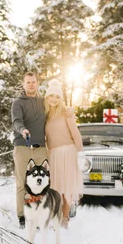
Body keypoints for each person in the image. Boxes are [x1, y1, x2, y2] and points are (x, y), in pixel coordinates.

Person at [44, 79, 83, 226]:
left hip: (68, 153)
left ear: (61, 99)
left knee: (67, 188)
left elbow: (76, 134)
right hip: (53, 155)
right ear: (47, 98)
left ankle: (64, 220)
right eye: (51, 96)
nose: (54, 99)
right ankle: (56, 217)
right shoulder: (45, 116)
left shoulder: (66, 113)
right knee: (56, 189)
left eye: (57, 96)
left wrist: (80, 152)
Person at [11, 72, 47, 229]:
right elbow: (16, 121)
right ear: (24, 84)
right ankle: (22, 216)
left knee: (40, 183)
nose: (31, 84)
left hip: (41, 148)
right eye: (28, 82)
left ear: (37, 83)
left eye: (33, 82)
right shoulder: (18, 103)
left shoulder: (43, 102)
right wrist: (23, 130)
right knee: (22, 183)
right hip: (22, 147)